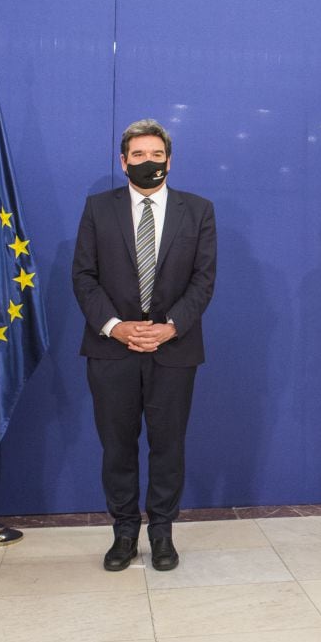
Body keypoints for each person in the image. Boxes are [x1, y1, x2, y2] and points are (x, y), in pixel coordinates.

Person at [72, 118, 216, 572]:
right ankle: (123, 533)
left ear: (169, 160)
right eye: (138, 155)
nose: (148, 162)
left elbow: (203, 279)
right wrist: (115, 326)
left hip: (174, 350)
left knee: (168, 444)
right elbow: (83, 276)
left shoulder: (198, 210)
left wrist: (171, 326)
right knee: (117, 445)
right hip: (112, 350)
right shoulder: (98, 208)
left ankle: (161, 533)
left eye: (156, 155)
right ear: (123, 161)